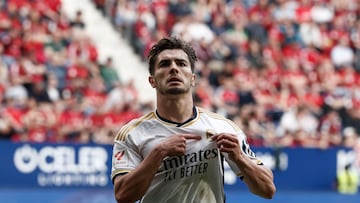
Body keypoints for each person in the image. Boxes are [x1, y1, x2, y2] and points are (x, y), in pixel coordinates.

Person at [111, 37, 276, 203]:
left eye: (181, 64)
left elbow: (267, 189)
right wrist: (158, 153)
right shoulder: (132, 133)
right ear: (152, 81)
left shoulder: (221, 126)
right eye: (165, 64)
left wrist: (240, 157)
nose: (174, 69)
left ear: (193, 79)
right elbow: (123, 196)